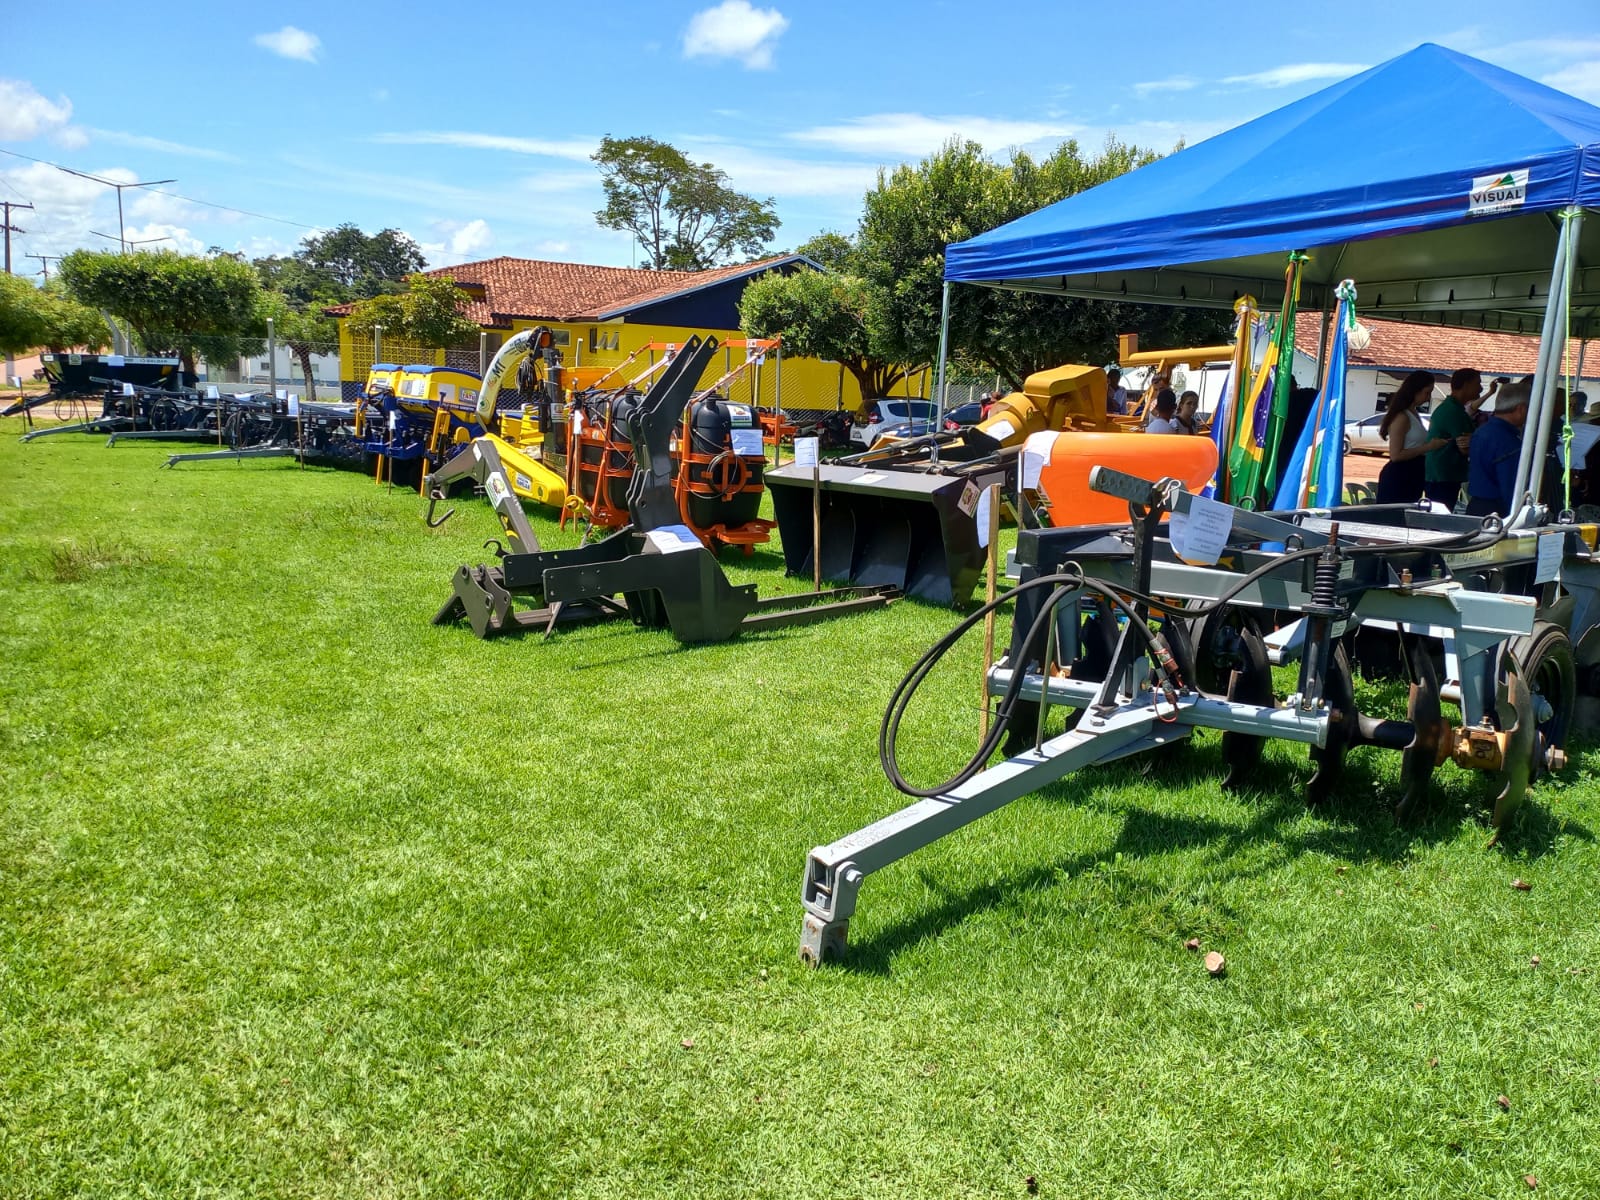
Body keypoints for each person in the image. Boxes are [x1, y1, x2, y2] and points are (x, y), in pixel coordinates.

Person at [1375, 370, 1449, 504]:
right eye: (1427, 392)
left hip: (1414, 473)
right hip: (1400, 475)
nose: (1428, 398)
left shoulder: (1413, 412)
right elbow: (1396, 455)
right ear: (1415, 390)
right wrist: (1428, 447)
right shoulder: (1402, 416)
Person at [1466, 378, 1532, 517]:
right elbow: (1510, 486)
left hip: (1475, 506)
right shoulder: (1508, 441)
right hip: (1497, 512)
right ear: (1521, 409)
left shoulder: (1481, 431)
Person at [1424, 367, 1483, 510]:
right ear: (1466, 385)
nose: (1480, 389)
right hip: (1444, 476)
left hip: (1441, 475)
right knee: (1438, 520)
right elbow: (1465, 448)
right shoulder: (1454, 412)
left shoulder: (1451, 408)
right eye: (1478, 384)